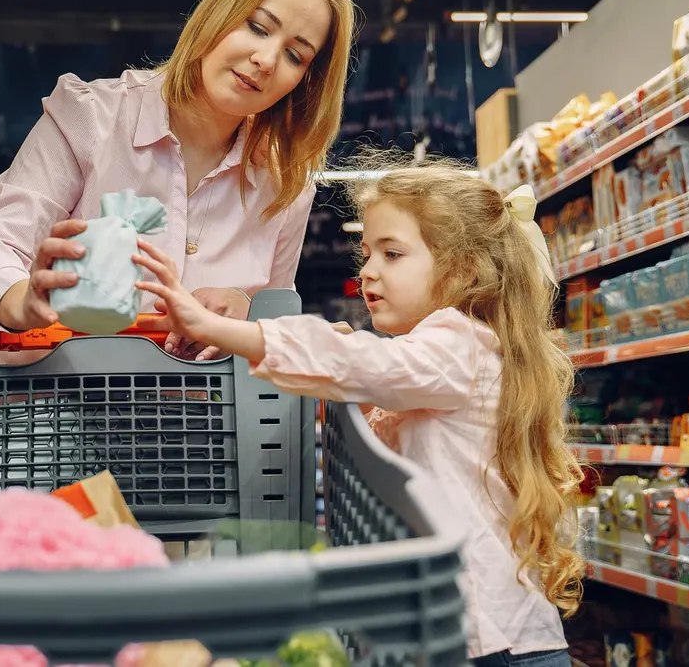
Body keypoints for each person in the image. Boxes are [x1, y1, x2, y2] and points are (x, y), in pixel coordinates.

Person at [130, 158, 583, 666]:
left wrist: (214, 328)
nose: (368, 270)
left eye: (392, 254)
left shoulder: (458, 341)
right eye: (367, 253)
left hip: (490, 641)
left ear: (463, 271)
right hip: (485, 630)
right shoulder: (451, 353)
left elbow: (358, 363)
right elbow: (401, 409)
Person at [0, 0, 355, 359]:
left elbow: (274, 322)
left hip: (209, 419)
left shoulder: (286, 182)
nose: (266, 60)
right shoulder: (91, 119)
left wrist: (251, 317)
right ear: (219, 12)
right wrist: (25, 300)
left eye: (294, 55)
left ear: (305, 82)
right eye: (257, 26)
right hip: (63, 408)